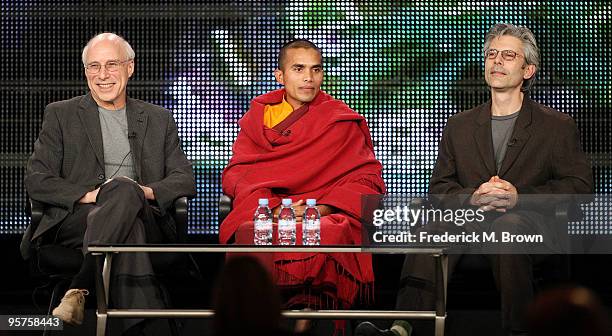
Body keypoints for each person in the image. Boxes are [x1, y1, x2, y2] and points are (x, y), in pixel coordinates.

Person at [356, 23, 593, 336]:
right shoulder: (460, 125)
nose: (496, 61)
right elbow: (440, 188)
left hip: (529, 223)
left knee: (508, 228)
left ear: (528, 70)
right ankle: (403, 328)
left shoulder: (556, 126)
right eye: (491, 54)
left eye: (508, 56)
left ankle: (519, 330)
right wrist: (472, 197)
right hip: (469, 219)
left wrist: (519, 197)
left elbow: (579, 188)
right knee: (434, 227)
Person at [21, 33, 196, 332]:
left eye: (112, 64)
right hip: (79, 219)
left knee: (126, 191)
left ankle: (80, 287)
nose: (103, 75)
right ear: (86, 71)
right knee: (130, 227)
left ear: (130, 68)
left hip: (146, 215)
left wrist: (144, 192)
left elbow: (184, 178)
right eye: (94, 66)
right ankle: (141, 328)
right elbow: (37, 179)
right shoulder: (60, 114)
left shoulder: (158, 118)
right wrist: (90, 196)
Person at [220, 39, 385, 332]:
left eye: (316, 69)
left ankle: (308, 313)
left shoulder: (339, 119)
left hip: (323, 211)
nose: (309, 78)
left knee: (332, 231)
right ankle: (255, 320)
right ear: (280, 76)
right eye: (299, 69)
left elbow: (367, 178)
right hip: (268, 211)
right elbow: (239, 175)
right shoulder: (258, 119)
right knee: (248, 231)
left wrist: (320, 208)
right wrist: (273, 210)